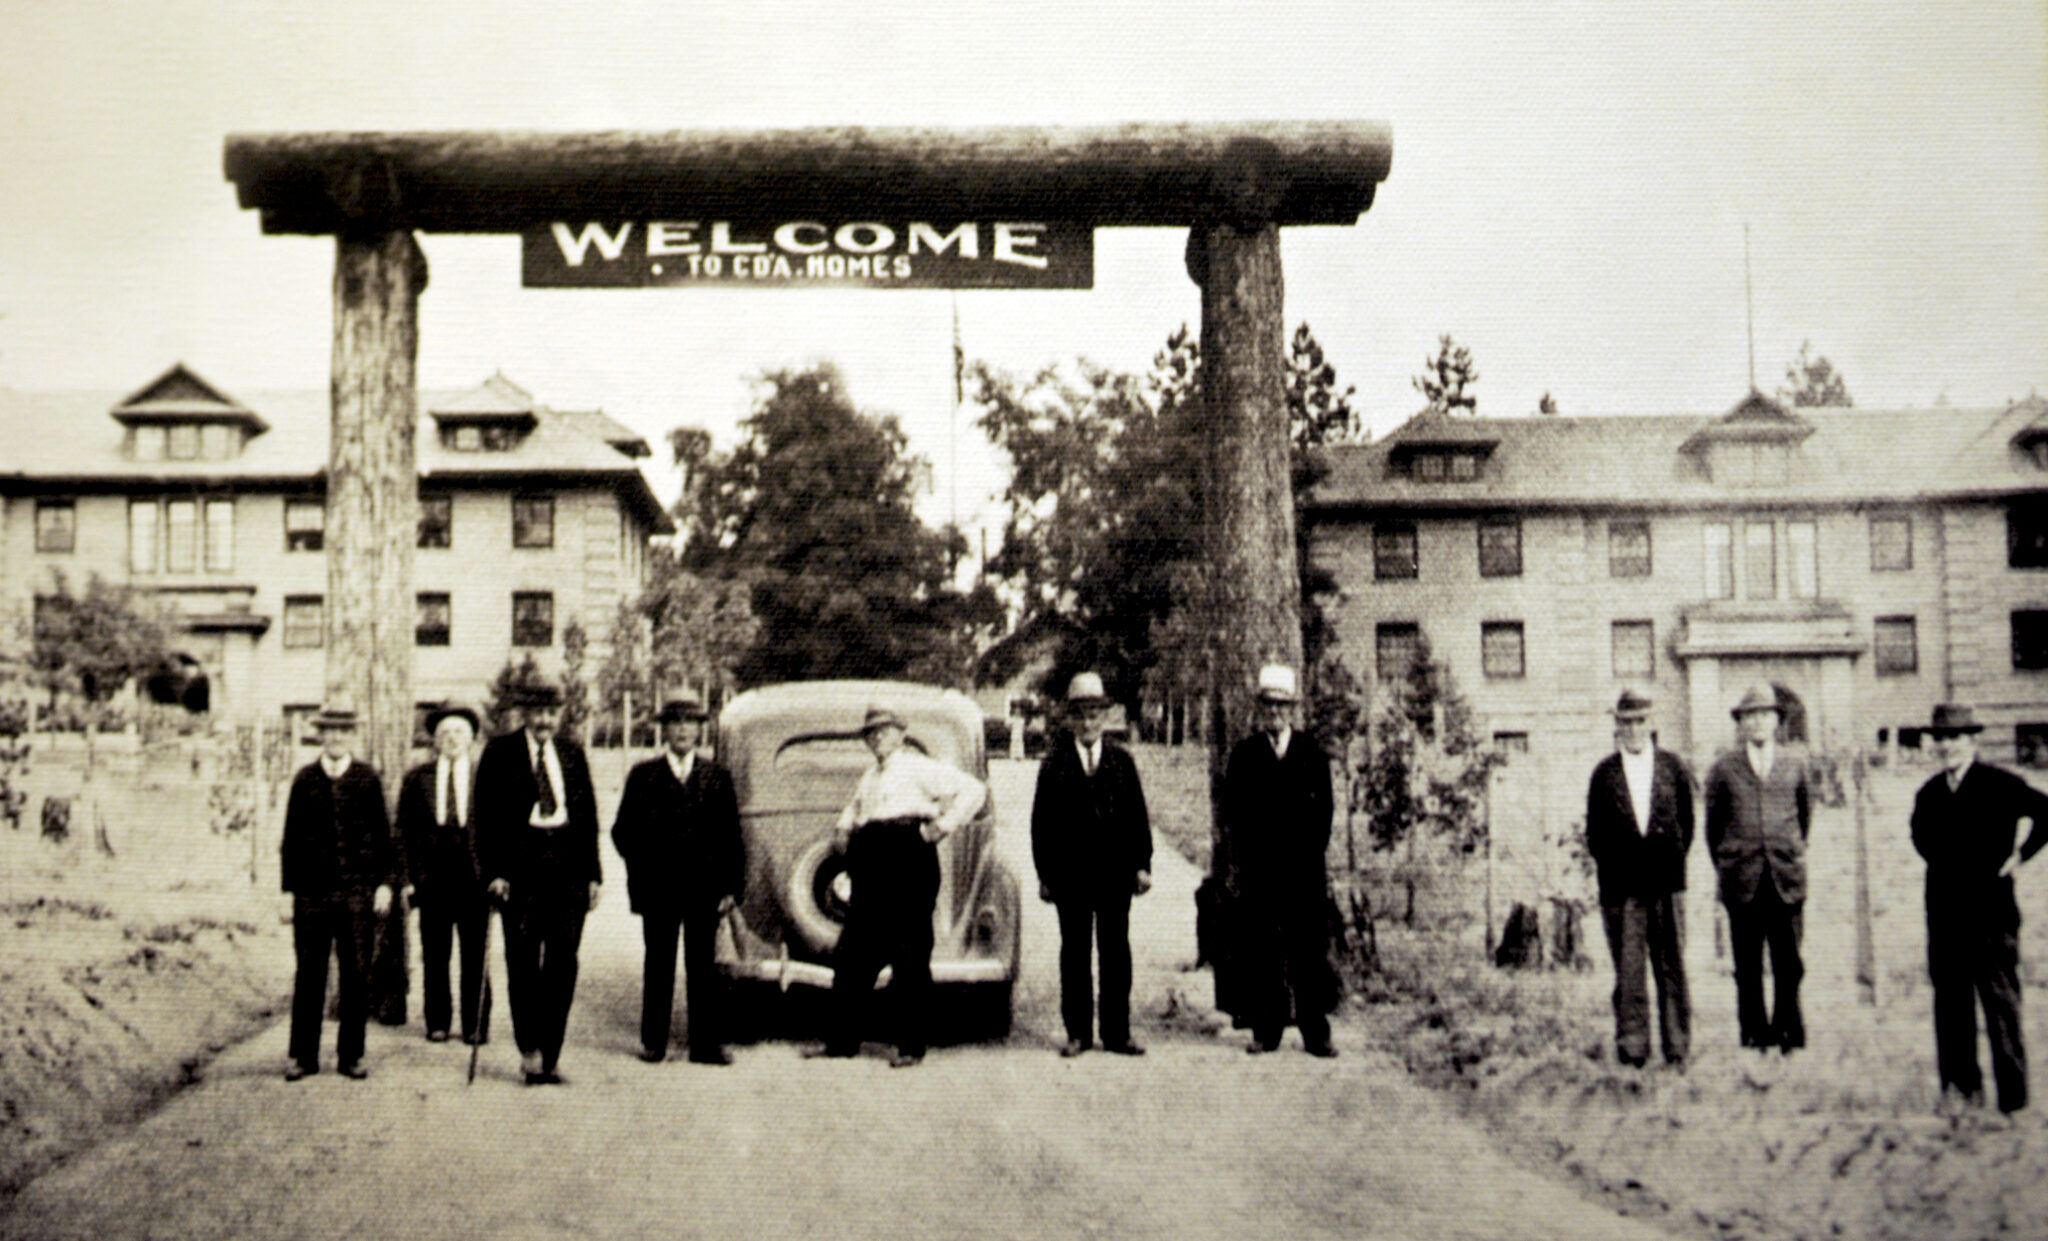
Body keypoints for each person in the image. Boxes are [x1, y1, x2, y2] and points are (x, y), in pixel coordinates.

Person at [806, 704, 986, 1068]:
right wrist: (843, 828)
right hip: (871, 863)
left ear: (901, 734)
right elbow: (855, 809)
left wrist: (940, 827)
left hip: (909, 859)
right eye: (871, 734)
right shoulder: (870, 775)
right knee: (854, 951)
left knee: (910, 953)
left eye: (885, 731)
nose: (878, 738)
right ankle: (841, 1042)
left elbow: (973, 791)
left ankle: (910, 1046)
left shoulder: (919, 767)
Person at [1909, 703, 2048, 1115]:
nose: (1947, 746)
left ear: (1973, 740)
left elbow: (2046, 812)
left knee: (2001, 1005)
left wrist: (2020, 856)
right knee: (1951, 1006)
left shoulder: (2000, 784)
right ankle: (1962, 1091)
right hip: (1946, 918)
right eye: (1941, 739)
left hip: (1992, 919)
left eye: (1955, 738)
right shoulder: (1930, 793)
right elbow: (1920, 840)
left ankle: (2013, 1100)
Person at [475, 680, 602, 1086]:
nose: (545, 720)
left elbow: (588, 817)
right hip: (520, 872)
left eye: (552, 712)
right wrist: (493, 873)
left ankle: (551, 1055)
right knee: (524, 963)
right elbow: (484, 819)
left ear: (560, 714)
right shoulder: (500, 752)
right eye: (538, 712)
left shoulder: (572, 752)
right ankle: (528, 1050)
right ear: (524, 714)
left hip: (567, 870)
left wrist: (594, 874)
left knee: (563, 963)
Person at [611, 697, 744, 1066]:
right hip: (660, 891)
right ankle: (654, 1041)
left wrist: (732, 887)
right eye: (676, 722)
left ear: (701, 729)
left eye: (691, 722)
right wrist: (646, 872)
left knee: (703, 968)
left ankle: (705, 1044)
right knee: (659, 964)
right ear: (664, 730)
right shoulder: (644, 775)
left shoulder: (717, 776)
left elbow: (732, 836)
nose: (684, 729)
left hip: (705, 891)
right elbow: (623, 833)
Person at [1217, 664, 1339, 1057]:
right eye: (1268, 706)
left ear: (1292, 710)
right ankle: (1266, 1029)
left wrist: (1308, 856)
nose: (1275, 714)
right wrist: (1241, 865)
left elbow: (1325, 814)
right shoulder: (1245, 754)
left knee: (1309, 952)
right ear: (1259, 710)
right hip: (1259, 872)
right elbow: (1232, 816)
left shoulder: (1312, 753)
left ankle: (1315, 1032)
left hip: (1303, 872)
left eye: (1282, 707)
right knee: (1263, 950)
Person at [1031, 671, 1154, 1058]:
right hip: (1071, 877)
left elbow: (1138, 817)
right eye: (1081, 715)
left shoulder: (1122, 761)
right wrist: (1046, 876)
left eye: (1095, 715)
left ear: (1105, 718)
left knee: (1116, 952)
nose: (1088, 723)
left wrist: (1142, 865)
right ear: (1070, 719)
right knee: (1075, 953)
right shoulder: (1054, 765)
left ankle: (1117, 1032)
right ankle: (1078, 1033)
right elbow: (1041, 826)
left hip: (1115, 875)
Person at [279, 704, 397, 1081]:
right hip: (311, 896)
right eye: (329, 731)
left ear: (352, 737)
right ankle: (303, 1056)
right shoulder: (305, 779)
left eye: (343, 732)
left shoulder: (367, 778)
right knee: (309, 974)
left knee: (356, 973)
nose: (335, 738)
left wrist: (384, 884)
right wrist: (287, 892)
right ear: (320, 735)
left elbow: (384, 837)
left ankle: (352, 1055)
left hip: (357, 894)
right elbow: (291, 841)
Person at [1584, 689, 1695, 1069]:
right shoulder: (1604, 775)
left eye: (1640, 721)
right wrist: (1622, 867)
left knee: (1672, 965)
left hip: (1667, 883)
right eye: (1626, 723)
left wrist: (1665, 861)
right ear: (1617, 727)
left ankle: (1677, 1047)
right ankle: (1633, 1048)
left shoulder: (1673, 768)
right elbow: (1595, 835)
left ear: (1652, 723)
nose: (1633, 729)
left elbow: (1687, 825)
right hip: (1622, 889)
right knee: (1629, 969)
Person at [1703, 683, 1812, 1055]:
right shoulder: (1723, 768)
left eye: (1765, 715)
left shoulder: (1795, 764)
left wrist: (1787, 851)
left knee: (1789, 962)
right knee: (1747, 965)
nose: (1758, 723)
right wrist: (1731, 863)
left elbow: (1804, 818)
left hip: (1785, 878)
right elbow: (1712, 829)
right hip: (1742, 880)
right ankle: (1753, 1034)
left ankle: (1788, 1032)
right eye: (1750, 716)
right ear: (1741, 724)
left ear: (1777, 722)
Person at [396, 700, 491, 1046]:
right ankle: (437, 1020)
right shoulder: (417, 778)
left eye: (459, 732)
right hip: (432, 877)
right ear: (434, 740)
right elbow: (402, 832)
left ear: (471, 739)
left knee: (475, 953)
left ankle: (475, 1024)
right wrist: (406, 879)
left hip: (475, 878)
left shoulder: (487, 777)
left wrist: (497, 875)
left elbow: (500, 831)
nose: (451, 738)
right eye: (444, 733)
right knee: (435, 952)